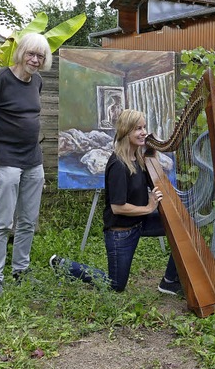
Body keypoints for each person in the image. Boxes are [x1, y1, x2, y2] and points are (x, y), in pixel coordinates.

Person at [49, 109, 181, 295]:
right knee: (115, 285)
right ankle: (65, 265)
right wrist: (150, 207)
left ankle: (169, 281)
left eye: (144, 127)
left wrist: (153, 150)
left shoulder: (138, 158)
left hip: (140, 223)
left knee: (179, 224)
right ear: (126, 132)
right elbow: (118, 207)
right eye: (138, 128)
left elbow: (155, 181)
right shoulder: (118, 164)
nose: (143, 132)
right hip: (121, 232)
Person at [0, 33, 53, 295]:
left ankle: (21, 271)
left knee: (28, 220)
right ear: (21, 53)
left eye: (40, 56)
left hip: (32, 159)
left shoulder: (36, 82)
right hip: (5, 159)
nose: (35, 60)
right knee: (3, 222)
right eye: (31, 54)